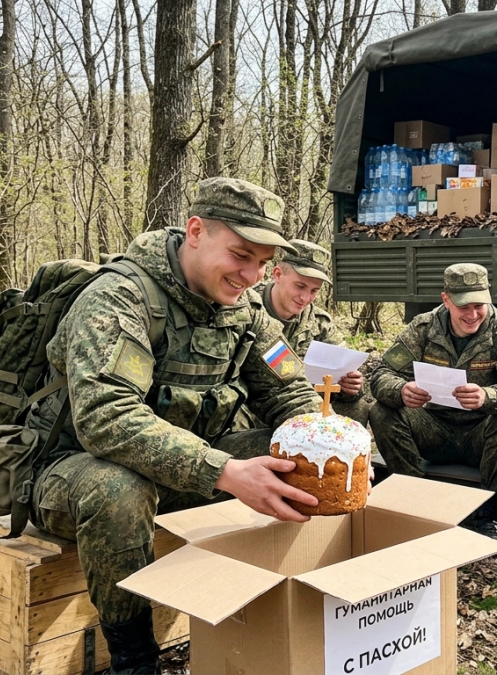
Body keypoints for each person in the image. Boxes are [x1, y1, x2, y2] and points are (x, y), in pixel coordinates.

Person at [26, 178, 323, 674]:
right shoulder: (118, 299)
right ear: (195, 231)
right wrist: (224, 470)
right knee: (118, 487)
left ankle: (276, 604)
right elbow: (107, 418)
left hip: (185, 471)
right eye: (240, 255)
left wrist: (325, 445)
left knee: (290, 451)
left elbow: (287, 389)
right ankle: (133, 656)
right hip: (67, 471)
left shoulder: (246, 311)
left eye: (262, 265)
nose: (251, 276)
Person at [368, 263, 497, 544]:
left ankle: (487, 517)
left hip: (482, 433)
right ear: (446, 300)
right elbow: (382, 373)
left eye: (479, 305)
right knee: (381, 411)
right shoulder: (423, 327)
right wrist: (402, 390)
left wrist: (487, 396)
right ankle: (415, 503)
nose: (472, 314)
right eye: (463, 306)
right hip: (433, 428)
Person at [254, 238, 369, 425]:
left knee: (356, 408)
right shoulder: (249, 308)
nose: (305, 298)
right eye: (299, 286)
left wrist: (351, 386)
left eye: (314, 290)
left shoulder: (319, 323)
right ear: (277, 275)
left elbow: (347, 374)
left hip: (302, 409)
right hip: (254, 409)